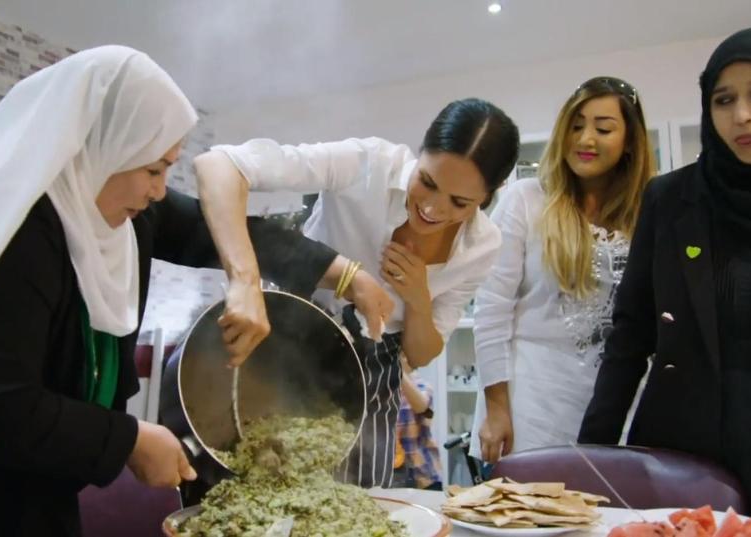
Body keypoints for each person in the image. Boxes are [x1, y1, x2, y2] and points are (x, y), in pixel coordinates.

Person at [0, 46, 373, 537]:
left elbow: (217, 225)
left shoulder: (120, 209)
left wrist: (346, 276)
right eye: (153, 170)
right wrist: (127, 440)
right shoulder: (14, 229)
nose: (159, 191)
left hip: (5, 460)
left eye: (166, 170)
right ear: (97, 147)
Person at [193, 98, 520, 487]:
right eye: (428, 182)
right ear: (421, 153)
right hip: (289, 347)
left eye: (460, 202)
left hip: (374, 379)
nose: (432, 208)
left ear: (489, 194)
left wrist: (417, 297)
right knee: (263, 490)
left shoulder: (483, 245)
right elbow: (219, 165)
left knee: (360, 507)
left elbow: (421, 352)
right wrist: (244, 281)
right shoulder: (366, 164)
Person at [578, 27, 751, 518]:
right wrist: (592, 456)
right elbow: (631, 335)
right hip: (684, 447)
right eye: (724, 99)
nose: (742, 116)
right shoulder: (670, 199)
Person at [470, 77, 655, 464]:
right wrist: (497, 409)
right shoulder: (526, 200)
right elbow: (490, 312)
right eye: (575, 125)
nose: (585, 139)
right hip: (531, 406)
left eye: (603, 128)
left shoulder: (649, 212)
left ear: (630, 141)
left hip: (618, 408)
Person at [392, 354, 443, 490]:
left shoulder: (422, 385)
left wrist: (397, 372)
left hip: (424, 476)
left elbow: (422, 406)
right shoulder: (384, 391)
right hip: (396, 478)